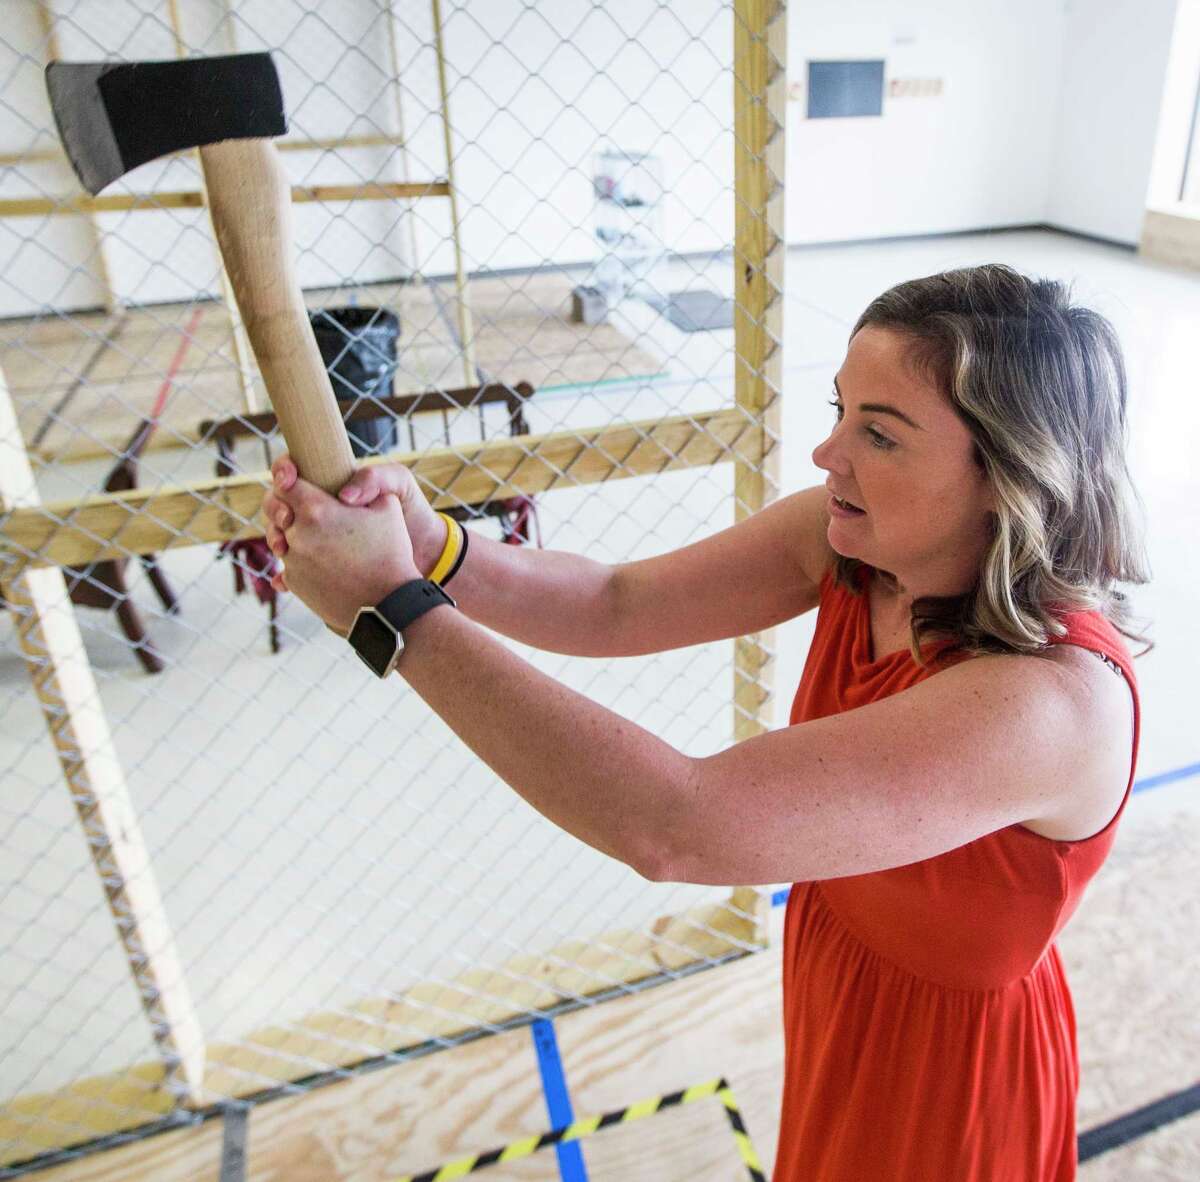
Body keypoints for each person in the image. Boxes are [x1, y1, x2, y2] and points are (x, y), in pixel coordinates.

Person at [261, 263, 1150, 1181]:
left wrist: (393, 612)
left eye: (879, 436)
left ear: (1011, 474)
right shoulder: (854, 543)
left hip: (949, 1070)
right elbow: (614, 604)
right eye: (840, 411)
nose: (827, 455)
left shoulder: (1046, 705)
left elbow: (674, 825)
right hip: (841, 972)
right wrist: (432, 550)